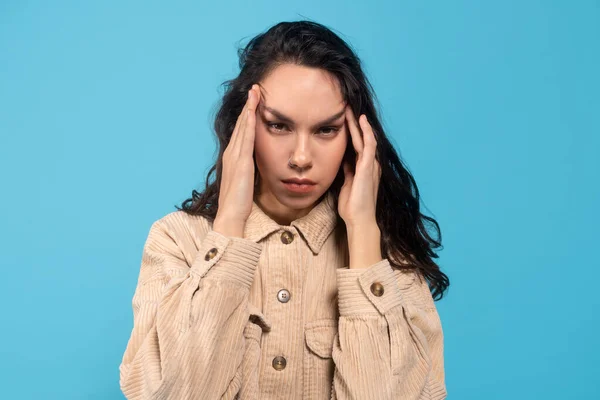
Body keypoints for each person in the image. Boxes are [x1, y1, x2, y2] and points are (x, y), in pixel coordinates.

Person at [119, 20, 450, 400]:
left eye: (326, 130)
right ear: (243, 124)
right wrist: (228, 225)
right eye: (278, 126)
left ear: (357, 139)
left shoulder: (390, 261)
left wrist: (362, 236)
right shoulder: (177, 241)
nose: (301, 158)